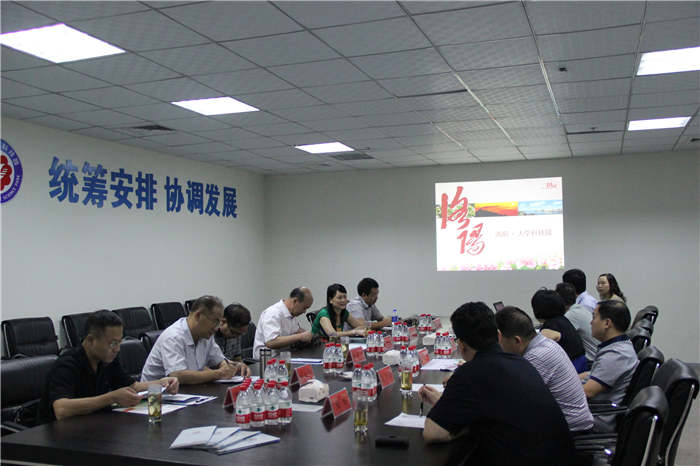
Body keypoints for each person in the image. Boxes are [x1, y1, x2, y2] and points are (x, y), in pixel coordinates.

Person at [418, 302, 574, 465]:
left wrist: (459, 423)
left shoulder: (470, 373)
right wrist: (446, 404)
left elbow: (433, 433)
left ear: (461, 345)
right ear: (499, 336)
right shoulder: (521, 362)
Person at [38, 310, 179, 423]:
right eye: (112, 343)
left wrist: (161, 382)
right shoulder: (67, 364)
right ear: (90, 340)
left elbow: (132, 386)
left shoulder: (107, 359)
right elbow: (61, 409)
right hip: (57, 435)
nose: (117, 349)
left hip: (91, 425)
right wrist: (111, 398)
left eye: (119, 342)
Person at [495, 306, 594, 434]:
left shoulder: (535, 357)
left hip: (570, 431)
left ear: (516, 340)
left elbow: (514, 401)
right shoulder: (545, 343)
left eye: (500, 342)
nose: (499, 347)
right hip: (573, 422)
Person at [141, 295, 249, 384]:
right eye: (215, 321)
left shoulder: (206, 335)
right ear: (198, 316)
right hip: (153, 397)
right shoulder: (174, 336)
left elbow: (219, 361)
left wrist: (230, 367)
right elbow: (178, 375)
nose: (217, 328)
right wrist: (219, 373)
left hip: (185, 393)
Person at [581, 300, 638, 432]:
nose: (591, 322)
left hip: (596, 418)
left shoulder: (616, 355)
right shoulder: (617, 346)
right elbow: (593, 374)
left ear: (607, 323)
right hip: (593, 411)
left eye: (594, 317)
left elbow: (588, 392)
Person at [532, 289, 587, 372]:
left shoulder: (551, 325)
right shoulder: (562, 319)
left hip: (573, 367)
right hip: (580, 364)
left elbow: (538, 345)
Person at [253, 287, 314, 358]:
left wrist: (310, 334)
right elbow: (271, 342)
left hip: (283, 356)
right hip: (266, 360)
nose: (304, 312)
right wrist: (301, 336)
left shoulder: (291, 314)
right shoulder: (272, 313)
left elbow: (296, 331)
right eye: (304, 308)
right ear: (295, 301)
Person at [555, 282, 600, 368]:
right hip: (595, 358)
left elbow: (557, 338)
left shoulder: (571, 315)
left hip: (591, 362)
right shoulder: (580, 309)